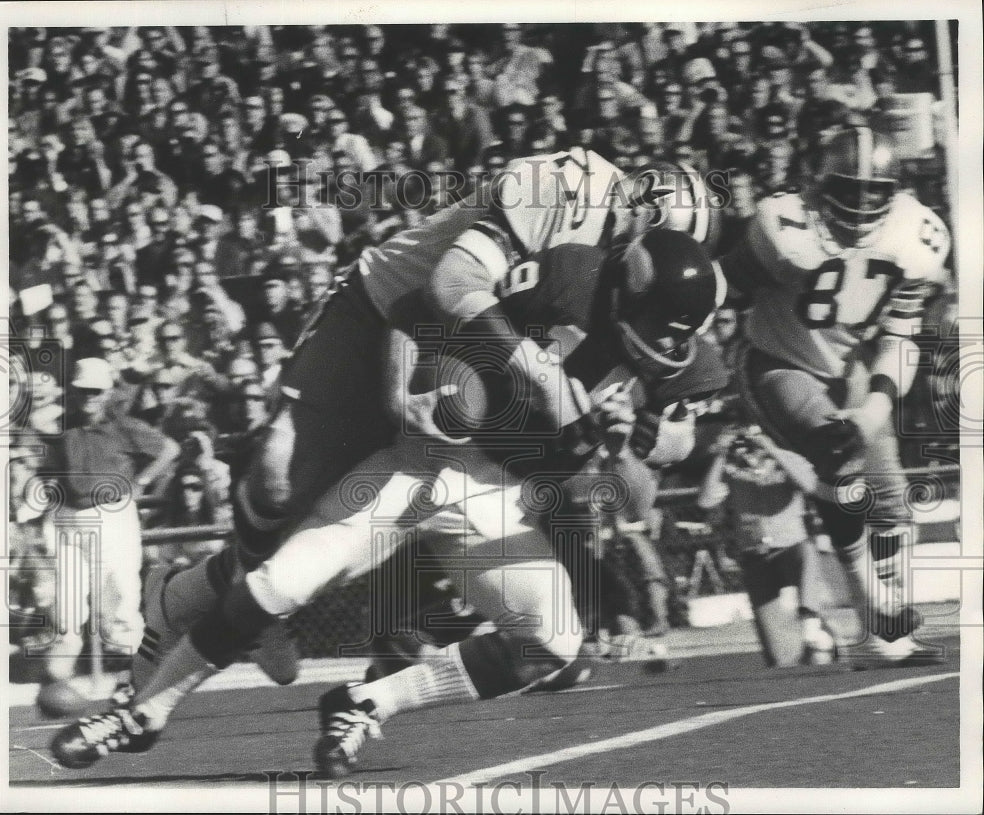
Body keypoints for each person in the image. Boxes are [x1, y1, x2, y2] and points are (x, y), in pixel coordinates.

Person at [50, 149, 724, 769]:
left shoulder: (665, 328)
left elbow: (648, 472)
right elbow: (433, 294)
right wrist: (485, 383)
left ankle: (366, 699)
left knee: (553, 640)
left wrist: (631, 437)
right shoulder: (556, 239)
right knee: (279, 539)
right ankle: (144, 705)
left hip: (494, 490)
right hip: (421, 428)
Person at [716, 126, 950, 667]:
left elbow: (901, 334)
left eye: (875, 193)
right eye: (851, 191)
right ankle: (882, 617)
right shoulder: (785, 224)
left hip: (852, 367)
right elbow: (721, 284)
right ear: (822, 187)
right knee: (841, 462)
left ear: (894, 193)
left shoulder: (915, 237)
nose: (863, 206)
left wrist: (875, 407)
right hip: (778, 359)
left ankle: (885, 633)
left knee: (890, 502)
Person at [33, 358, 179, 685]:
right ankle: (67, 655)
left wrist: (141, 482)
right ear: (74, 390)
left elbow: (170, 449)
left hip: (112, 516)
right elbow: (47, 467)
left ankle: (142, 673)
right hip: (68, 517)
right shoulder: (60, 424)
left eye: (95, 390)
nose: (89, 397)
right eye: (83, 390)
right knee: (67, 597)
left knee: (120, 598)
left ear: (108, 391)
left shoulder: (126, 426)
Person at [698, 426, 837, 666]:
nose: (748, 450)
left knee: (807, 555)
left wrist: (770, 448)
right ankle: (811, 646)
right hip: (755, 556)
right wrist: (721, 454)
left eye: (751, 442)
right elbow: (706, 499)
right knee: (780, 657)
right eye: (742, 444)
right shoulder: (731, 471)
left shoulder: (788, 460)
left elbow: (808, 485)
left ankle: (812, 623)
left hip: (792, 547)